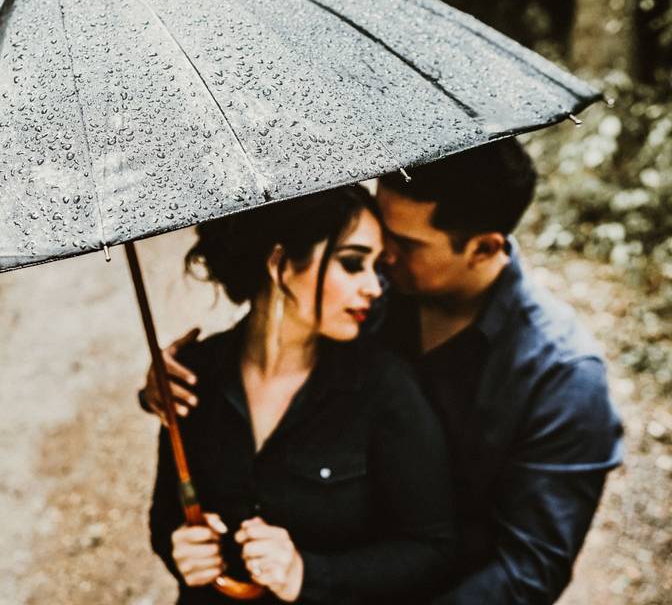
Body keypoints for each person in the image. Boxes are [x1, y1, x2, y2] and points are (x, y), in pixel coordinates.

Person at [143, 140, 624, 604]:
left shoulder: (564, 379)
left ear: (483, 248)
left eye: (404, 245)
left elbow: (528, 572)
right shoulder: (369, 304)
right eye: (371, 247)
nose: (384, 261)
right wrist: (171, 384)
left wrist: (317, 577)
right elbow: (282, 323)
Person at [147, 185, 457, 603]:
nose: (374, 287)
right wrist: (180, 549)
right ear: (279, 265)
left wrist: (307, 574)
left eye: (375, 266)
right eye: (352, 264)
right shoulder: (192, 377)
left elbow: (433, 551)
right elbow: (166, 517)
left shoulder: (385, 390)